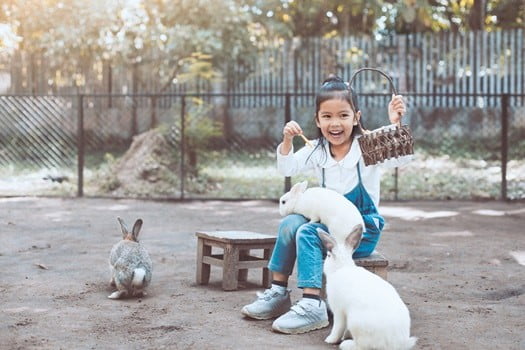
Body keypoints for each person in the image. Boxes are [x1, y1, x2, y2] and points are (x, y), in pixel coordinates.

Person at [241, 75, 412, 334]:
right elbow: (286, 167)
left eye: (343, 115)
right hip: (328, 227)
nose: (335, 123)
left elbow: (402, 158)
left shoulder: (367, 146)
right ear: (318, 120)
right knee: (290, 223)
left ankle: (312, 304)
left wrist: (395, 122)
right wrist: (288, 141)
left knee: (308, 231)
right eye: (328, 116)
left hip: (360, 230)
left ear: (356, 117)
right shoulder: (317, 149)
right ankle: (278, 291)